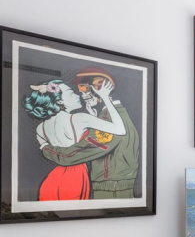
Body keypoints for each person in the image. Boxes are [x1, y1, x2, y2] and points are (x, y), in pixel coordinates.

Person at [39, 67, 141, 200]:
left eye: (84, 89)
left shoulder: (108, 119)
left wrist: (45, 148)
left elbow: (73, 154)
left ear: (99, 88)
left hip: (110, 188)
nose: (82, 96)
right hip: (116, 185)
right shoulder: (119, 114)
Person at [23, 77, 125, 201]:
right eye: (71, 93)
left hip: (52, 180)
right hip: (74, 180)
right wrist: (105, 97)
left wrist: (92, 114)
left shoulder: (40, 128)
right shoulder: (79, 118)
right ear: (60, 101)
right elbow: (121, 129)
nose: (77, 95)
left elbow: (50, 147)